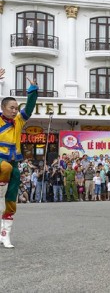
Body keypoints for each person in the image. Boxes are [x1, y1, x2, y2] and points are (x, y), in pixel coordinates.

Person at [0, 74, 38, 248]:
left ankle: (5, 234)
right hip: (1, 161)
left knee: (11, 200)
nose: (15, 110)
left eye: (16, 107)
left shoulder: (19, 121)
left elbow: (29, 108)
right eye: (11, 107)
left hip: (14, 163)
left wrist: (33, 91)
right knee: (5, 167)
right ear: (3, 108)